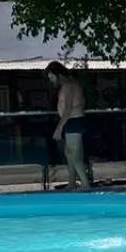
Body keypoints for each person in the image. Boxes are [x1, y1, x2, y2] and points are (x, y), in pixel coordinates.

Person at [46, 61, 91, 191]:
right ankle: (72, 182)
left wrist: (59, 128)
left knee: (73, 153)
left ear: (58, 75)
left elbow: (68, 108)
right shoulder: (71, 84)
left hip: (73, 120)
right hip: (72, 120)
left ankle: (85, 183)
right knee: (70, 152)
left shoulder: (68, 85)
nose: (51, 81)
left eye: (52, 77)